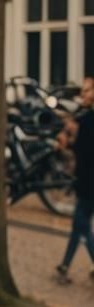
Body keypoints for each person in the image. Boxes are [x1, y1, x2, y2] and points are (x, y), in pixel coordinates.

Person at [55, 76, 94, 284]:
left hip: (88, 181)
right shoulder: (86, 119)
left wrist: (65, 145)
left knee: (82, 223)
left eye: (87, 91)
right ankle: (65, 264)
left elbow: (83, 150)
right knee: (79, 224)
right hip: (88, 180)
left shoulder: (89, 121)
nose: (83, 95)